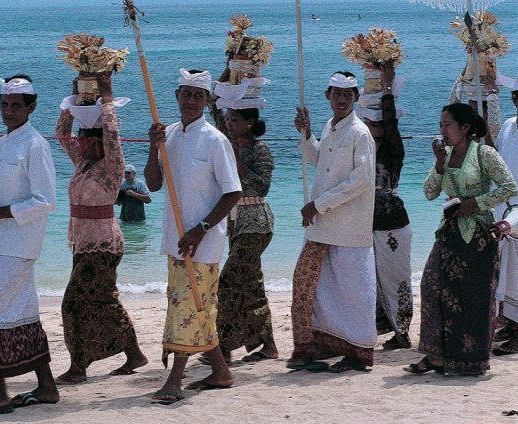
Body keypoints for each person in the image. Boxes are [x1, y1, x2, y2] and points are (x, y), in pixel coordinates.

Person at [0, 75, 58, 417]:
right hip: (0, 242)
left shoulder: (35, 145)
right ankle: (47, 387)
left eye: (16, 106)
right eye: (4, 105)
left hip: (21, 243)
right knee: (22, 314)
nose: (9, 111)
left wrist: (0, 212)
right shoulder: (4, 142)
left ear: (31, 107)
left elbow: (46, 200)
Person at [145, 69, 241, 405]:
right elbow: (155, 184)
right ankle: (220, 372)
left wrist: (202, 228)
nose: (190, 101)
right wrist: (151, 146)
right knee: (196, 308)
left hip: (203, 241)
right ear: (177, 96)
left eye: (197, 96)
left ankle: (174, 379)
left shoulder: (215, 140)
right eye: (186, 94)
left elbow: (233, 193)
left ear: (207, 101)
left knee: (189, 307)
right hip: (175, 237)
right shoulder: (168, 134)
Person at [406, 103, 517, 376]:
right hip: (449, 234)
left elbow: (509, 187)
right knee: (432, 288)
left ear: (465, 128)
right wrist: (440, 165)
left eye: (447, 125)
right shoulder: (446, 156)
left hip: (478, 236)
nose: (442, 130)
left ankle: (469, 360)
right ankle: (436, 355)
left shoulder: (484, 154)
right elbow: (429, 193)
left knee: (472, 298)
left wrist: (476, 203)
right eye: (441, 125)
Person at [55, 73, 148, 384]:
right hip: (83, 243)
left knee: (75, 302)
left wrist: (107, 100)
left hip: (103, 243)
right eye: (84, 138)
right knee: (100, 301)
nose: (86, 143)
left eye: (92, 140)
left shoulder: (112, 167)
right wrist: (73, 100)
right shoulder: (82, 163)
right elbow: (61, 132)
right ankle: (133, 352)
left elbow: (111, 133)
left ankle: (78, 366)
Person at [289, 72, 377, 373]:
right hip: (323, 225)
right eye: (337, 94)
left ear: (356, 98)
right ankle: (312, 347)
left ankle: (360, 351)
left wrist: (319, 204)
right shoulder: (330, 126)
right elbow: (320, 162)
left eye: (349, 94)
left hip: (349, 226)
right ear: (328, 95)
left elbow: (362, 180)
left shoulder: (360, 133)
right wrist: (306, 134)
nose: (342, 99)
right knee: (309, 284)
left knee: (353, 290)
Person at [208, 68, 278, 364]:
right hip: (237, 224)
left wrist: (238, 164)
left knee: (228, 281)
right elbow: (213, 105)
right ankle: (269, 345)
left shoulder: (260, 149)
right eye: (229, 120)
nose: (229, 123)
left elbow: (263, 186)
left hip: (257, 223)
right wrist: (227, 71)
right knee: (251, 285)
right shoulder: (227, 141)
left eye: (235, 120)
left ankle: (225, 345)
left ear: (248, 124)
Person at [362, 66, 413, 350]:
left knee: (396, 279)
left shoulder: (394, 151)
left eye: (377, 123)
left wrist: (387, 91)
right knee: (370, 281)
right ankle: (379, 330)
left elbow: (393, 126)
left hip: (392, 220)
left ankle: (402, 332)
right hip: (364, 223)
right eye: (368, 123)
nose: (373, 128)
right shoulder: (360, 150)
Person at [492, 71, 518, 355]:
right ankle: (509, 324)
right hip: (501, 214)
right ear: (514, 98)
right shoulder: (507, 126)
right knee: (504, 273)